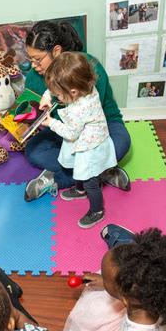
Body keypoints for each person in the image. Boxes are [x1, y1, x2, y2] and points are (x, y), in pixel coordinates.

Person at [22, 20, 131, 201]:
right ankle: (101, 171)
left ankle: (58, 179)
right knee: (33, 151)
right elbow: (40, 115)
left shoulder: (87, 66)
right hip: (63, 131)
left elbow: (84, 119)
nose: (33, 65)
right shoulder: (35, 77)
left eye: (38, 59)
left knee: (121, 143)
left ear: (56, 51)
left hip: (98, 128)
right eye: (30, 59)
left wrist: (52, 119)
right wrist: (29, 123)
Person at [40, 52, 118, 228]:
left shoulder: (80, 109)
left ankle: (97, 210)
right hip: (83, 138)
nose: (57, 98)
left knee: (90, 179)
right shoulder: (85, 85)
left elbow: (69, 133)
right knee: (76, 165)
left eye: (58, 95)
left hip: (89, 145)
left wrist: (51, 123)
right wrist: (47, 96)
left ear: (72, 91)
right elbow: (58, 85)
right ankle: (80, 189)